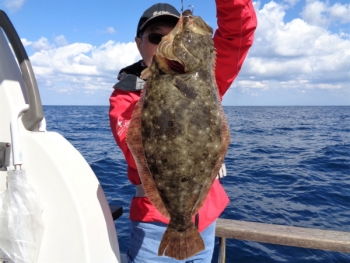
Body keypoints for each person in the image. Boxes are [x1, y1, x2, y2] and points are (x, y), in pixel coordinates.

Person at [109, 1, 257, 262]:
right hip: (153, 229)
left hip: (206, 223)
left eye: (175, 33)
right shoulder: (125, 97)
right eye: (157, 37)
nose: (166, 40)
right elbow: (135, 152)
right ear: (138, 43)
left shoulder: (206, 78)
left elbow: (239, 32)